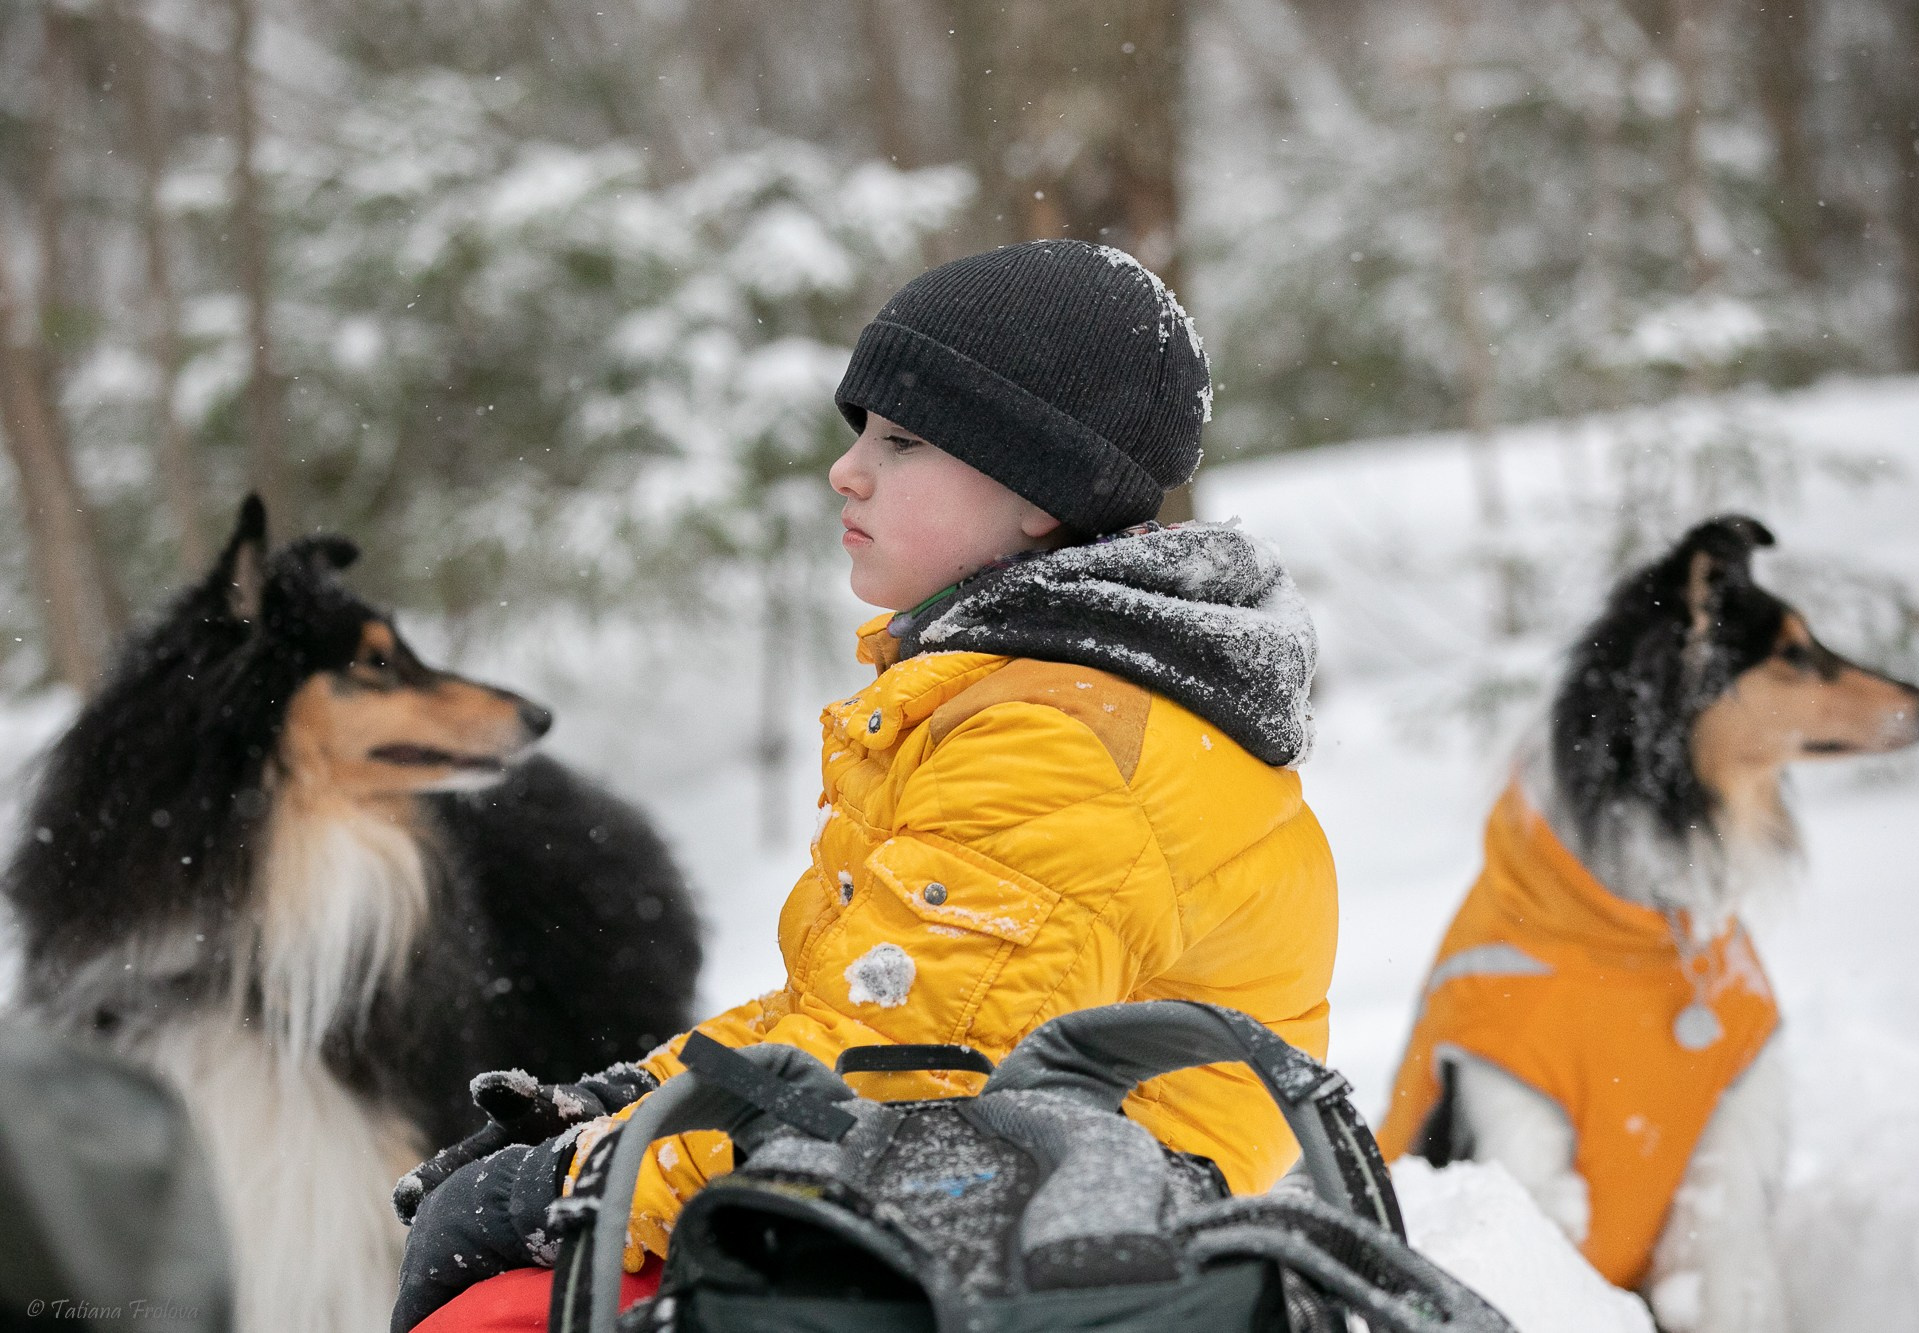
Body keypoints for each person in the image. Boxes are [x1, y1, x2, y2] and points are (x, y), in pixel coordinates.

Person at [395, 238, 1338, 1332]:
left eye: (901, 441)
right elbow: (850, 1010)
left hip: (1077, 1255)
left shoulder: (1056, 741)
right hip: (989, 1204)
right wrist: (621, 1102)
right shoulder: (1009, 695)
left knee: (498, 1304)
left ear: (1040, 495)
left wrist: (587, 1180)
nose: (847, 471)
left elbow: (902, 1077)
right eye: (858, 435)